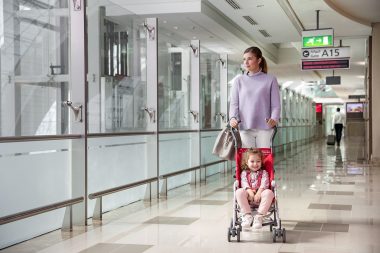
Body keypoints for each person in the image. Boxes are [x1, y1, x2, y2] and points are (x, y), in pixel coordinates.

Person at [229, 46, 281, 148]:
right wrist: (232, 118)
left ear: (259, 60)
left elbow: (276, 105)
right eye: (244, 59)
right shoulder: (239, 80)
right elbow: (234, 103)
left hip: (265, 128)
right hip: (245, 126)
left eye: (250, 58)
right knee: (248, 161)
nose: (246, 62)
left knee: (264, 160)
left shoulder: (270, 79)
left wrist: (274, 119)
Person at [236, 149, 274, 229]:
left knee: (269, 192)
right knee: (239, 192)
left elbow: (265, 183)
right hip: (248, 199)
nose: (255, 164)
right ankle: (247, 216)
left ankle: (259, 217)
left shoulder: (264, 173)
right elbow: (244, 183)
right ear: (247, 162)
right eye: (252, 161)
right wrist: (249, 192)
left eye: (258, 161)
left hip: (261, 199)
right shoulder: (244, 173)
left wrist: (259, 193)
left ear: (261, 162)